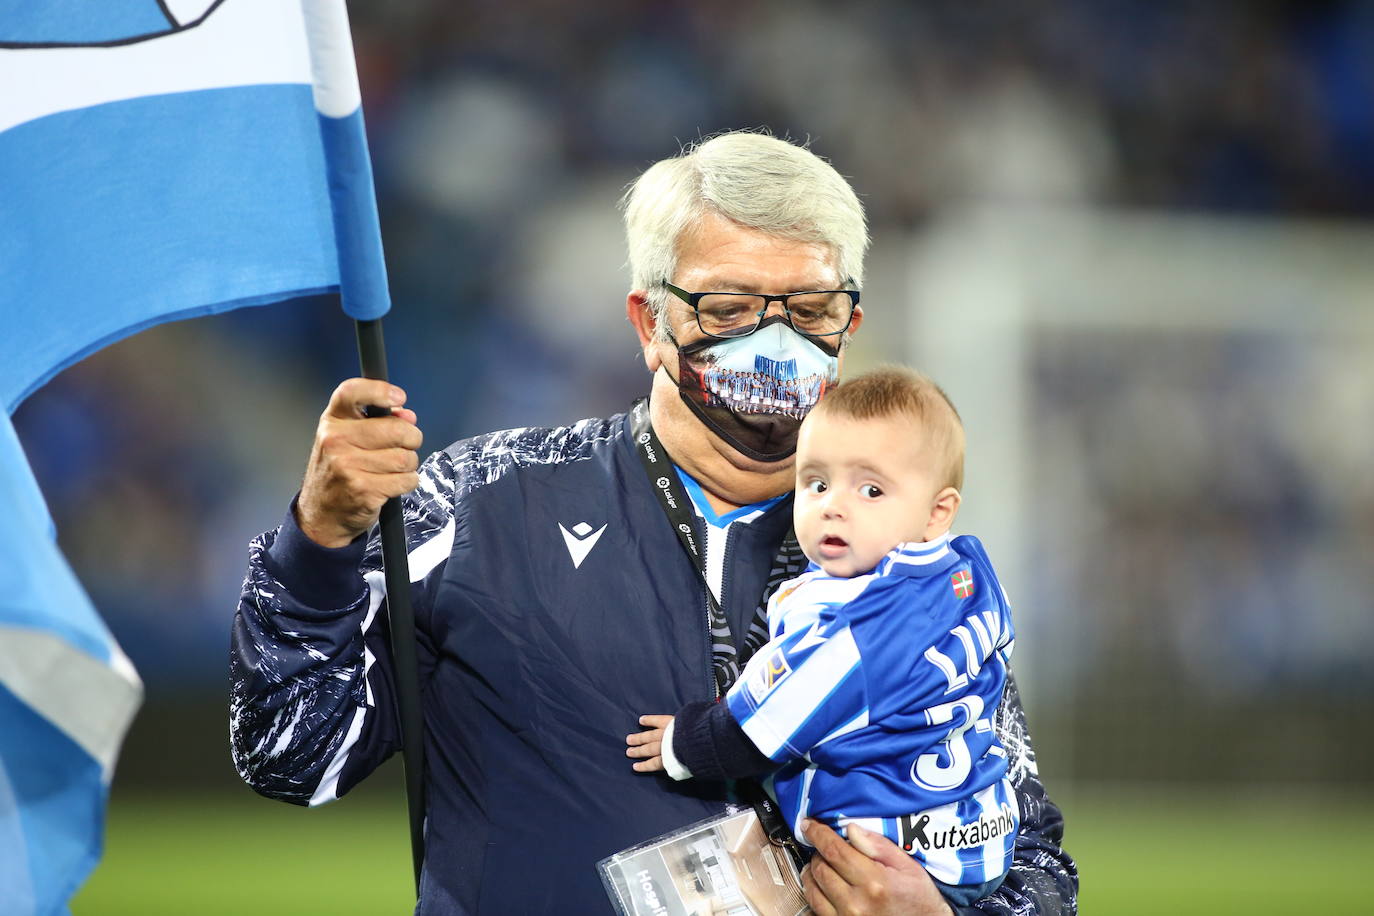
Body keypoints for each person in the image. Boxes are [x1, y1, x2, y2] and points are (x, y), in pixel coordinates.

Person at [229, 131, 1077, 915]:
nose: (775, 338)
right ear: (649, 322)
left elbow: (1037, 865)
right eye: (729, 307)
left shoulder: (914, 567)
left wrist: (943, 914)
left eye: (811, 308)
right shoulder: (480, 500)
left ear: (848, 324)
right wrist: (318, 541)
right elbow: (290, 752)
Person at [627, 367, 1016, 909]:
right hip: (980, 826)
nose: (834, 505)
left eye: (871, 490)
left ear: (936, 513)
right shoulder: (970, 572)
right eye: (816, 483)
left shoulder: (858, 629)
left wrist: (684, 744)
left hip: (889, 844)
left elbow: (757, 729)